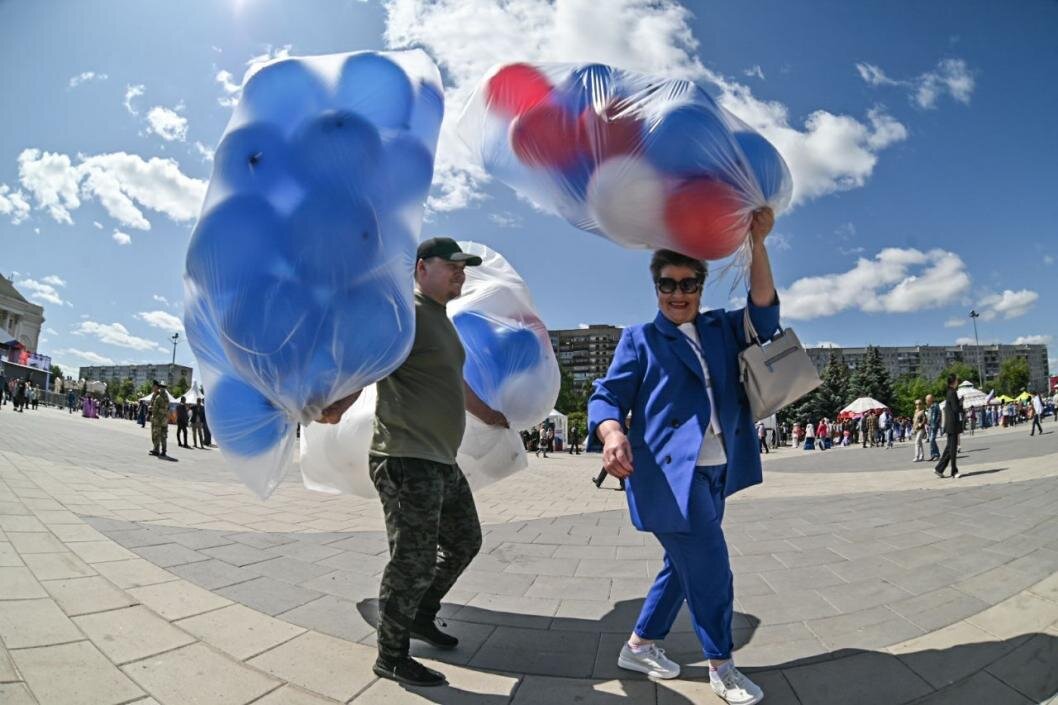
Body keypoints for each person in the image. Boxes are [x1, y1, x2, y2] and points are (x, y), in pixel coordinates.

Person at [588, 208, 777, 705]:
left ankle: (640, 644)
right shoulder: (641, 338)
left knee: (682, 564)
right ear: (656, 288)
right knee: (711, 566)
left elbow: (765, 311)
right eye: (667, 284)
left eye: (688, 283)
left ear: (701, 285)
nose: (677, 293)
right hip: (669, 476)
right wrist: (611, 434)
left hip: (718, 470)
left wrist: (756, 240)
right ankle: (722, 666)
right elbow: (606, 396)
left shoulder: (720, 328)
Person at [316, 237, 507, 688]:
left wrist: (490, 415)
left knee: (465, 542)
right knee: (412, 561)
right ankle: (392, 655)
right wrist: (338, 405)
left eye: (465, 268)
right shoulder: (407, 316)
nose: (461, 273)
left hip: (440, 459)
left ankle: (420, 615)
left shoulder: (442, 320)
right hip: (405, 457)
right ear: (422, 268)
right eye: (453, 265)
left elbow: (455, 384)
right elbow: (371, 366)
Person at [935, 374, 962, 479]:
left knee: (949, 448)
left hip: (950, 425)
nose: (958, 383)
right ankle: (954, 471)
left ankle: (939, 469)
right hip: (953, 425)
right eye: (957, 381)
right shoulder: (953, 392)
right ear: (954, 382)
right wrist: (961, 403)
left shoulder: (949, 392)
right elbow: (956, 409)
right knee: (953, 449)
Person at [148, 381, 170, 459]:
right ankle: (163, 450)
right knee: (163, 435)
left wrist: (151, 409)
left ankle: (156, 450)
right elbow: (167, 407)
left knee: (156, 434)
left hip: (157, 419)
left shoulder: (158, 397)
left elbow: (155, 409)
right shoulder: (166, 396)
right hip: (164, 419)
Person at [926, 394, 941, 460]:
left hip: (934, 425)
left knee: (932, 439)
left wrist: (936, 423)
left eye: (926, 399)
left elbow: (939, 415)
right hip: (930, 426)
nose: (926, 401)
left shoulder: (935, 406)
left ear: (930, 400)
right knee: (931, 440)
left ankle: (936, 454)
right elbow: (929, 417)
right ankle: (933, 454)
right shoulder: (929, 407)